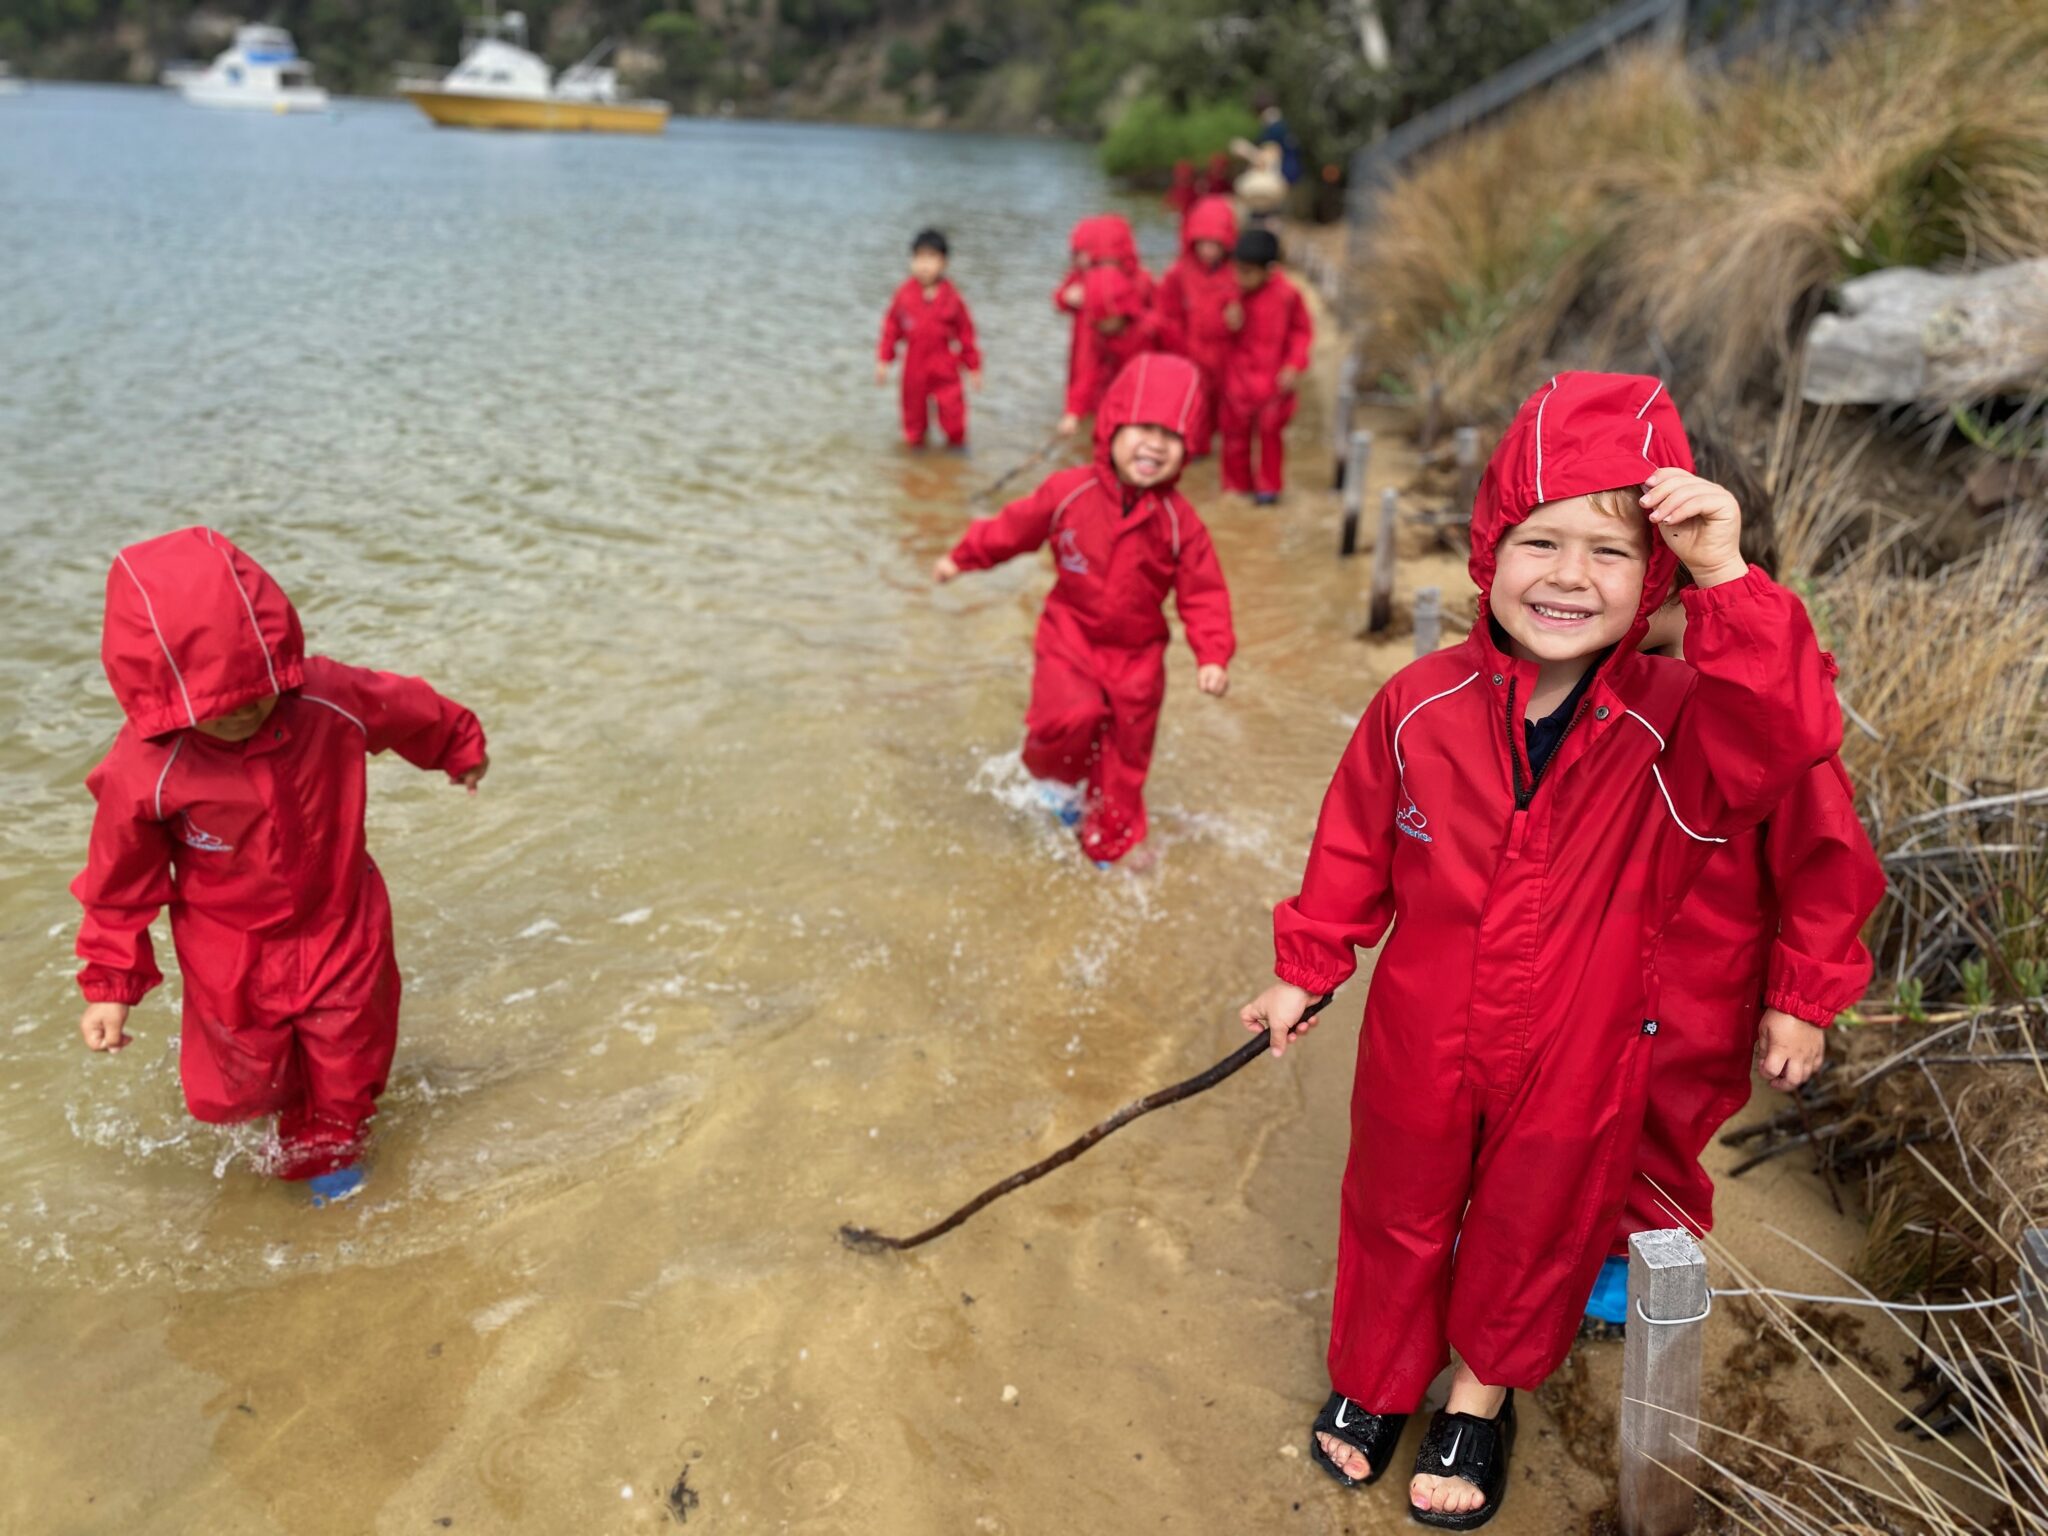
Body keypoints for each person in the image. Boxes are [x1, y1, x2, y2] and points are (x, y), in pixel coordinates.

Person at [1238, 373, 1842, 1524]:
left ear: (1654, 574)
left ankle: (1478, 1394)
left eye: (1608, 555)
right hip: (1425, 1020)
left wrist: (1723, 573)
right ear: (1486, 547)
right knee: (1394, 1199)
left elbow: (1790, 738)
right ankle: (1371, 1380)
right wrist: (1304, 968)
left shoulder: (1680, 721)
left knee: (1537, 1212)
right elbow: (1351, 851)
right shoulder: (1414, 704)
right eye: (1537, 540)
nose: (1566, 576)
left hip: (1584, 1033)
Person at [72, 527, 489, 1207]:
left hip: (340, 923)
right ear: (164, 698)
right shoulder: (147, 767)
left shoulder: (323, 696)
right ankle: (286, 1124)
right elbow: (118, 881)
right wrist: (110, 981)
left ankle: (332, 1157)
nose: (245, 710)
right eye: (219, 708)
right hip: (230, 949)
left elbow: (410, 708)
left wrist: (459, 747)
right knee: (243, 1085)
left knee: (348, 1060)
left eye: (259, 690)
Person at [1581, 438, 1884, 1332]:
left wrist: (1801, 998)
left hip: (1699, 984)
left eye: (1625, 554)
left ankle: (1623, 1261)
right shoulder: (1600, 676)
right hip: (1589, 960)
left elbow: (1829, 867)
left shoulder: (1766, 720)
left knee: (1659, 1127)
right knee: (1562, 1110)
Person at [933, 353, 1234, 871]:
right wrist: (962, 558)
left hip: (1138, 655)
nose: (1155, 445)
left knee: (1126, 756)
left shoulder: (1179, 522)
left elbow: (1203, 593)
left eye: (1171, 435)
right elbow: (1013, 529)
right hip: (1069, 634)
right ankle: (1054, 785)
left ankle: (1109, 844)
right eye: (1143, 427)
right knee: (1069, 715)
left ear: (1188, 448)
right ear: (1112, 427)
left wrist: (1213, 654)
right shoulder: (1068, 491)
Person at [1219, 227, 1311, 504]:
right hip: (1239, 378)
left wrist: (1294, 365)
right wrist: (1228, 322)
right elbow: (1213, 334)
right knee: (1234, 437)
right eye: (1238, 270)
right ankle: (1236, 489)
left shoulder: (1287, 295)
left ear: (1269, 270)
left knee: (1271, 436)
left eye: (1248, 272)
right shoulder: (1232, 294)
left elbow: (1301, 332)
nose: (1241, 277)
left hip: (1273, 378)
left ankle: (1269, 489)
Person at [877, 227, 982, 449]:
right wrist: (884, 360)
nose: (924, 266)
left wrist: (973, 367)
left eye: (931, 258)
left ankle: (956, 451)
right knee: (913, 420)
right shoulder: (904, 294)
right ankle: (916, 462)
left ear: (944, 263)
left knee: (954, 416)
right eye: (918, 258)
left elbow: (966, 332)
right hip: (914, 367)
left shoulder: (951, 296)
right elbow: (891, 328)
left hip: (945, 366)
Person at [1152, 195, 1239, 459]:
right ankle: (1196, 448)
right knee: (1193, 404)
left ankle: (1220, 446)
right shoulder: (1178, 273)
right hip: (1191, 349)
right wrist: (1179, 348)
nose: (1209, 251)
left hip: (1225, 351)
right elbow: (1165, 314)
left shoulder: (1235, 274)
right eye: (1203, 243)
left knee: (1224, 404)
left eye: (1216, 244)